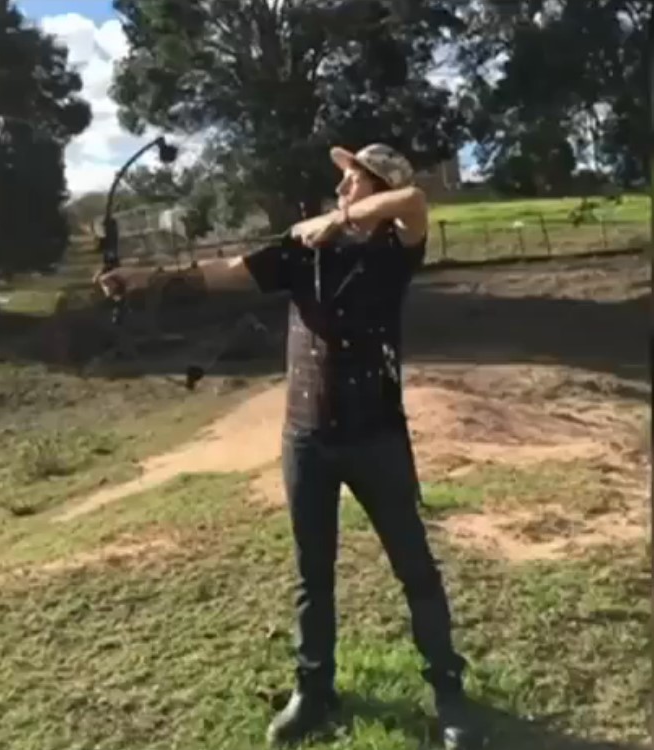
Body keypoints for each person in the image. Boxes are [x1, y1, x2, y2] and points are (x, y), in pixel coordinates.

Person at [96, 143, 477, 749]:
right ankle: (315, 689)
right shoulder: (302, 251)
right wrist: (143, 280)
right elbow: (222, 272)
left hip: (376, 434)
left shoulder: (394, 251)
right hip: (307, 438)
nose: (344, 185)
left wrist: (336, 220)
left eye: (356, 178)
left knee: (415, 569)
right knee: (311, 572)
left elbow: (414, 201)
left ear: (376, 188)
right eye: (345, 179)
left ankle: (449, 693)